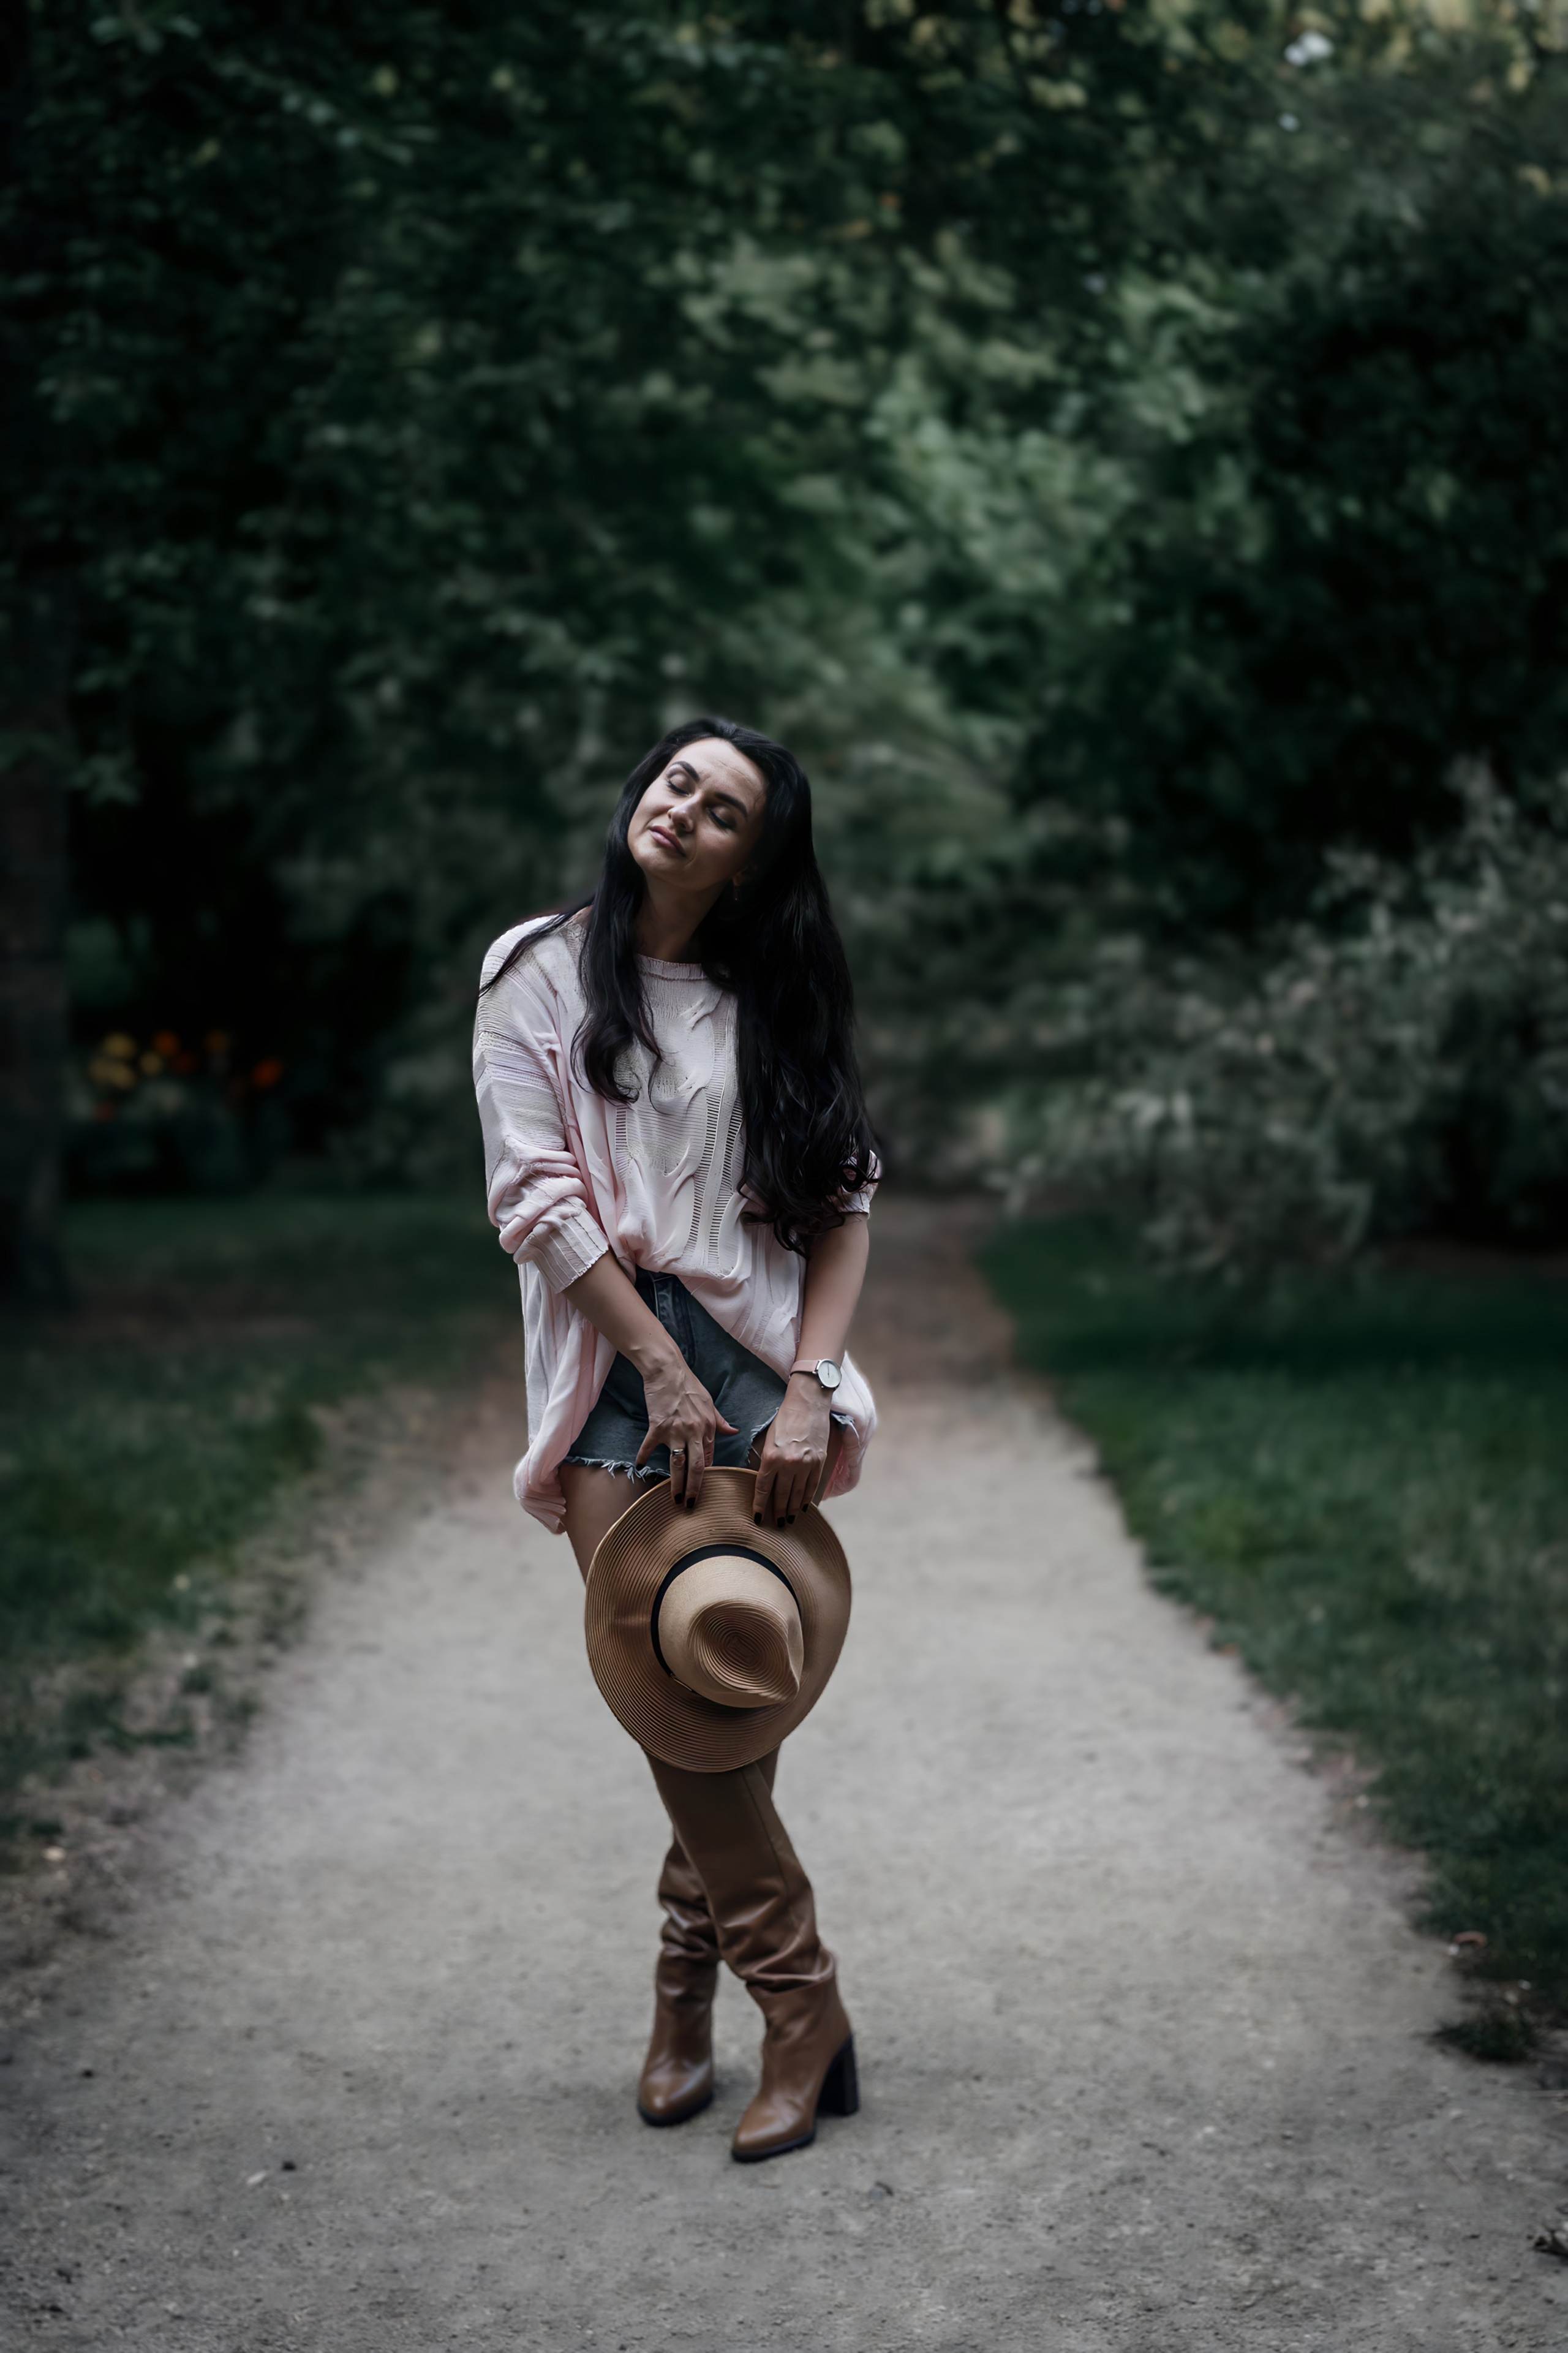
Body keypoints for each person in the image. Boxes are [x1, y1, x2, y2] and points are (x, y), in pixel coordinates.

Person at [472, 717, 878, 2161]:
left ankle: (684, 1994)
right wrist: (654, 1364)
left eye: (722, 811)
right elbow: (533, 1196)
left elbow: (842, 1204)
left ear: (751, 860)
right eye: (676, 782)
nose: (683, 810)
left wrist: (808, 1384)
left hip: (756, 1366)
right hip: (611, 1360)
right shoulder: (536, 968)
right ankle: (800, 2002)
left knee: (720, 1677)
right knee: (673, 1681)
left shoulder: (772, 994)